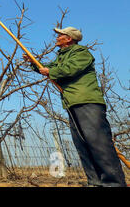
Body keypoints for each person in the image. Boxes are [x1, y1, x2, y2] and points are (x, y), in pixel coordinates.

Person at [23, 26, 127, 187]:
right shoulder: (61, 57)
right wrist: (34, 64)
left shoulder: (81, 53)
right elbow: (49, 68)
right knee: (83, 145)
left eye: (60, 35)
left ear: (69, 38)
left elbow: (69, 69)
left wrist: (50, 71)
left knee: (98, 143)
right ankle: (95, 182)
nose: (57, 38)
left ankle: (113, 183)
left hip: (87, 102)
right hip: (72, 103)